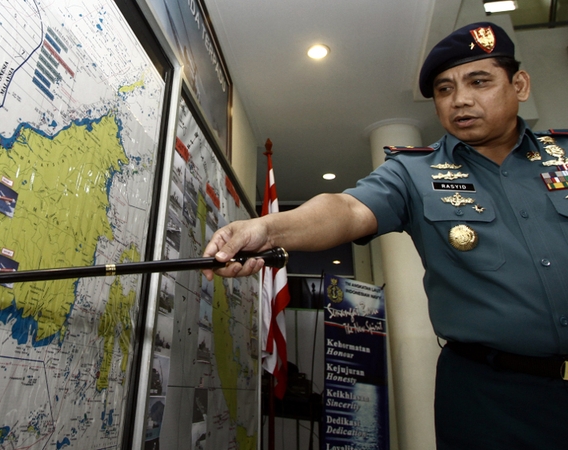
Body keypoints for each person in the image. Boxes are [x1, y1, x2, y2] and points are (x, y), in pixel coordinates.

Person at [202, 22, 568, 449]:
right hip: (490, 396)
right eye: (444, 90)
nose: (460, 99)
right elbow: (350, 208)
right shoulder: (414, 171)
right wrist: (267, 228)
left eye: (479, 81)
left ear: (519, 84)